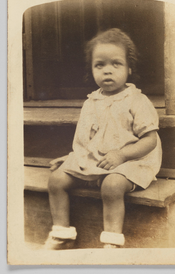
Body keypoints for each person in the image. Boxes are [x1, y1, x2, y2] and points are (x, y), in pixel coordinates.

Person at [44, 28, 162, 250]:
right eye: (100, 65)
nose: (107, 71)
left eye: (116, 64)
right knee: (56, 180)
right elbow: (91, 138)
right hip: (98, 159)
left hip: (132, 160)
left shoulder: (136, 100)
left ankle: (112, 241)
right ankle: (62, 234)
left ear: (129, 68)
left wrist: (122, 154)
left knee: (112, 184)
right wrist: (73, 157)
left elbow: (150, 141)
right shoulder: (91, 102)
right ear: (91, 69)